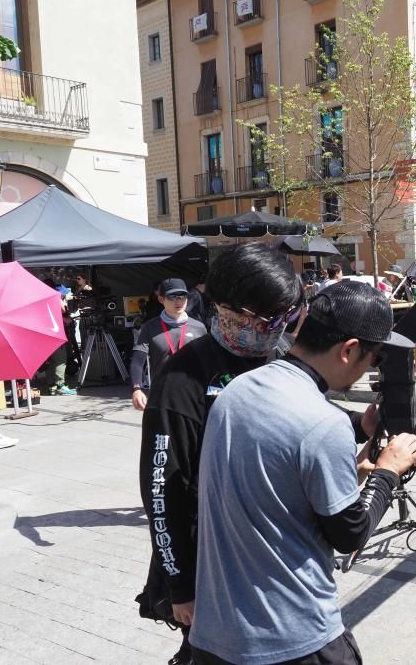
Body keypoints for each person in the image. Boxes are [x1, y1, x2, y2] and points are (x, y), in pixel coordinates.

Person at [189, 283, 416, 665]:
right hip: (292, 638)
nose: (372, 368)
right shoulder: (323, 423)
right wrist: (387, 472)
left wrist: (352, 465)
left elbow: (273, 485)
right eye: (374, 358)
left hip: (217, 637)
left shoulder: (238, 389)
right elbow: (350, 534)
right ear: (348, 350)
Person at [137, 244, 304, 665]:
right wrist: (180, 587)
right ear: (224, 307)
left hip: (269, 560)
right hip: (208, 564)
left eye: (279, 320)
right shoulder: (182, 377)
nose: (268, 329)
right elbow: (161, 489)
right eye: (262, 319)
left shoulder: (278, 360)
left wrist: (361, 426)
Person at [130, 279, 208, 411]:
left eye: (183, 296)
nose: (178, 301)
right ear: (161, 299)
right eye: (172, 297)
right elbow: (137, 361)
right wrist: (137, 389)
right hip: (161, 395)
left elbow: (208, 361)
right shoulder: (150, 327)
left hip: (193, 394)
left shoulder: (199, 327)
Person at [41, 280, 77, 396]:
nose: (63, 296)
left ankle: (52, 386)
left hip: (46, 336)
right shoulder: (53, 300)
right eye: (62, 294)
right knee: (60, 360)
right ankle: (60, 385)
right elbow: (59, 315)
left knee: (51, 361)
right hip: (56, 335)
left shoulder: (41, 299)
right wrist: (66, 318)